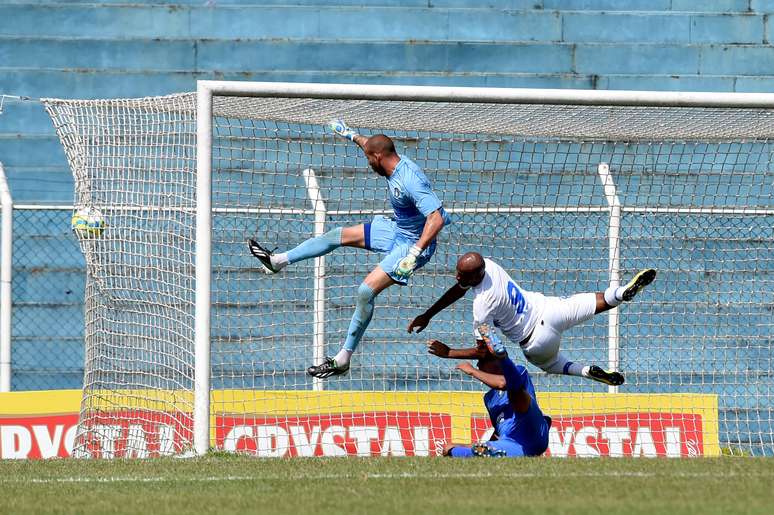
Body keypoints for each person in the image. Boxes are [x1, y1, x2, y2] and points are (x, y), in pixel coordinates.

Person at [249, 120, 451, 379]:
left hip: (414, 245)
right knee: (336, 235)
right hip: (398, 230)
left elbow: (437, 217)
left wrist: (413, 254)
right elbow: (368, 143)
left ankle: (343, 359)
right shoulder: (385, 156)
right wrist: (349, 134)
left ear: (378, 157)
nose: (368, 164)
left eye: (369, 159)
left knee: (365, 291)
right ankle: (277, 261)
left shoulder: (410, 180)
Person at [408, 252, 656, 386]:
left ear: (474, 276)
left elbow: (485, 353)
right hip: (550, 309)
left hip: (535, 341)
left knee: (551, 365)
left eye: (461, 275)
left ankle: (586, 371)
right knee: (599, 300)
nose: (456, 277)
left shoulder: (482, 307)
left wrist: (449, 352)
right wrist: (429, 314)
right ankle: (622, 293)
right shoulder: (489, 266)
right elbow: (459, 288)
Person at [429, 336, 551, 457]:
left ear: (497, 361)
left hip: (532, 429)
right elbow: (498, 433)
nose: (478, 366)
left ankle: (503, 357)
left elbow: (502, 383)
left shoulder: (519, 371)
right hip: (513, 443)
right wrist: (474, 446)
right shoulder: (489, 399)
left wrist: (471, 370)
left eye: (481, 362)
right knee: (451, 449)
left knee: (515, 389)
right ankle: (486, 452)